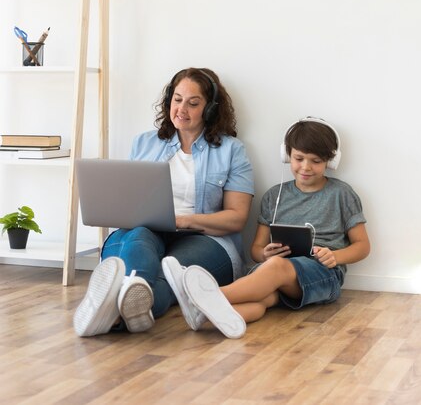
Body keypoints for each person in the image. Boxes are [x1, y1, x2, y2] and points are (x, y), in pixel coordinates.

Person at [74, 67, 254, 337]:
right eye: (177, 99)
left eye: (193, 103)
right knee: (137, 236)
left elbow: (236, 217)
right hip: (145, 233)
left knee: (173, 276)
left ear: (210, 109)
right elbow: (129, 200)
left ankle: (110, 310)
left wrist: (184, 220)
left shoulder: (231, 150)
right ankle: (129, 305)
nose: (182, 108)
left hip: (206, 239)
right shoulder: (145, 143)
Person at [161, 117, 370, 339]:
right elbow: (257, 250)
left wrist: (335, 257)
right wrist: (264, 253)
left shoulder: (342, 194)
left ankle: (201, 295)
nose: (306, 167)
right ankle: (202, 316)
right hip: (277, 274)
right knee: (262, 299)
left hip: (323, 273)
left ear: (330, 160)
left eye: (316, 161)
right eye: (299, 158)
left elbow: (362, 246)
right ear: (287, 155)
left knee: (275, 266)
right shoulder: (274, 196)